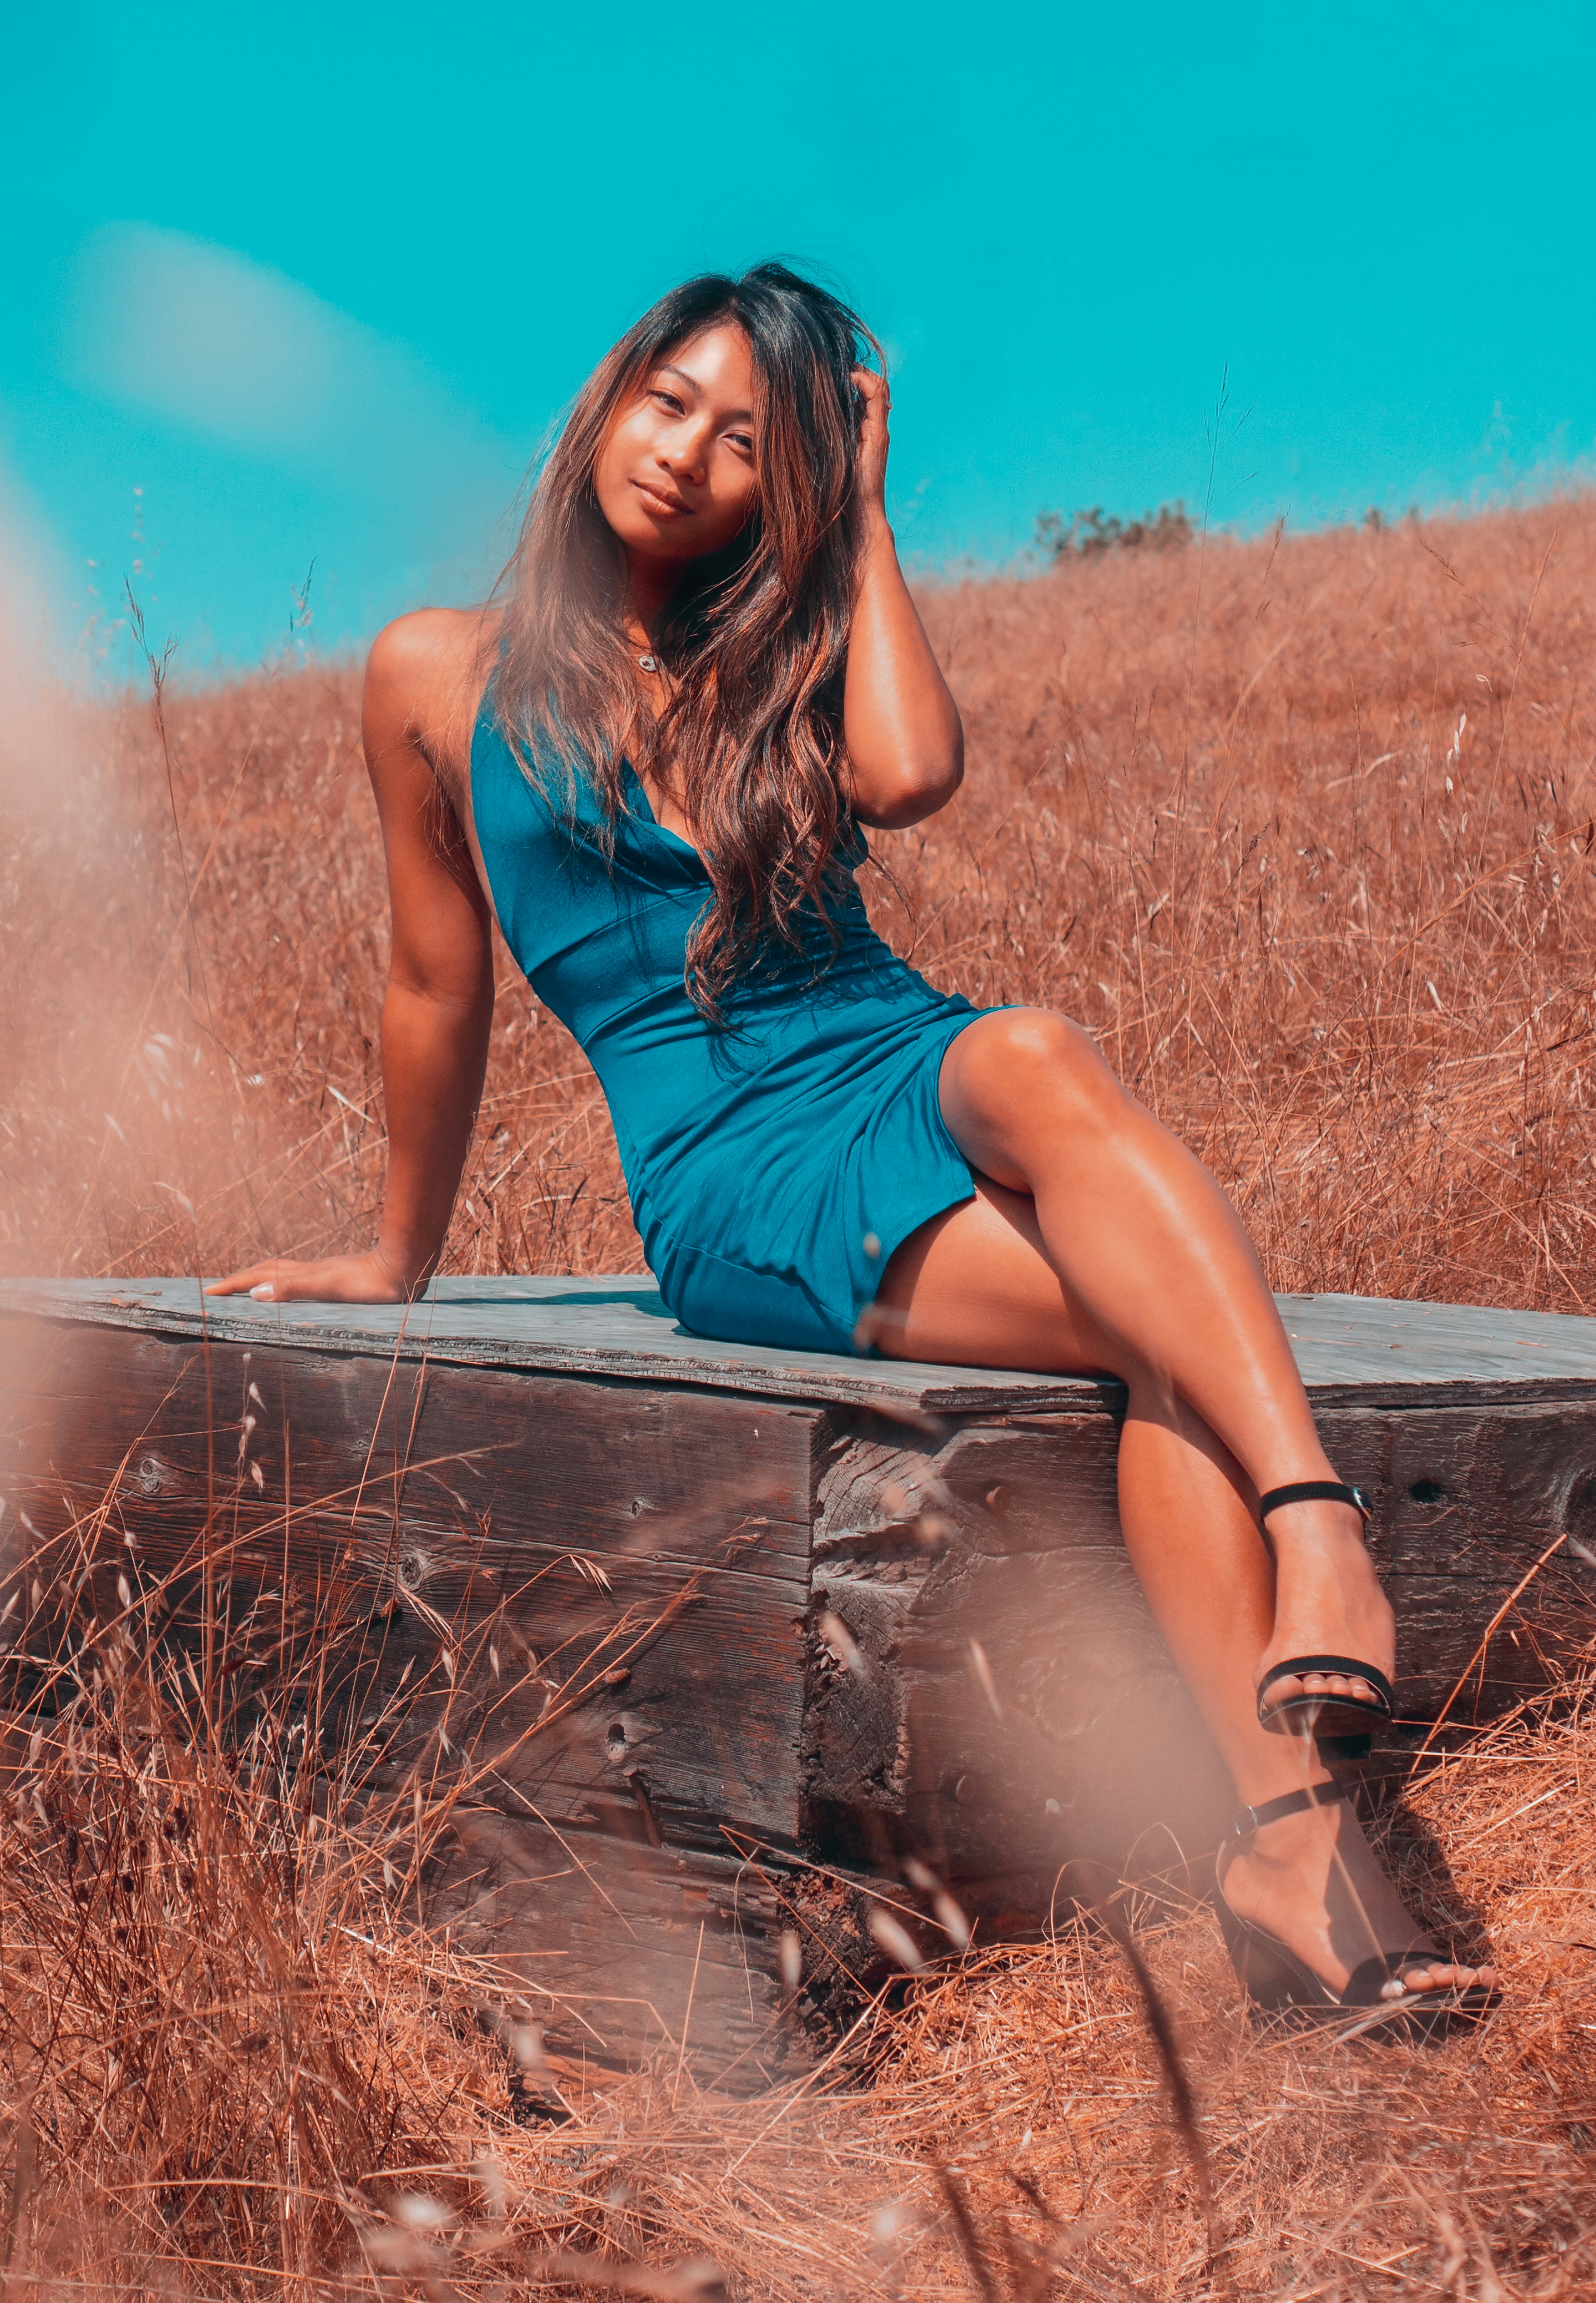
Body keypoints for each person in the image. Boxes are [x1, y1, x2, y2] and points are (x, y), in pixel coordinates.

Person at [212, 262, 1497, 2031]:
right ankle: (1290, 1821)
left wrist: (870, 513)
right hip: (737, 1171)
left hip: (889, 1049)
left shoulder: (774, 651)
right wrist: (390, 1258)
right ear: (609, 398)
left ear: (782, 488)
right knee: (1153, 1334)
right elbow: (435, 989)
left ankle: (1309, 1573)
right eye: (671, 404)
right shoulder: (433, 672)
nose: (685, 458)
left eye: (746, 444)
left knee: (1040, 1047)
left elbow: (907, 778)